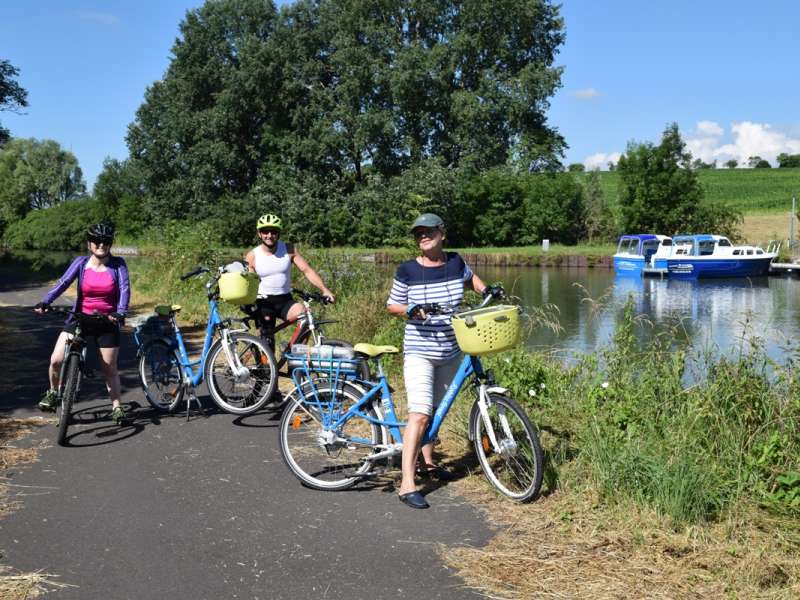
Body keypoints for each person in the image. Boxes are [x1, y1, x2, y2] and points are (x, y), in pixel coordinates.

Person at [387, 213, 492, 509]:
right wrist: (409, 309)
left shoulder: (456, 261)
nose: (422, 236)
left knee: (436, 410)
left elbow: (471, 279)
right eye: (418, 233)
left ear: (442, 233)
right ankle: (407, 483)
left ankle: (428, 463)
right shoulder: (407, 270)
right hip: (420, 351)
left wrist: (486, 290)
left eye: (428, 231)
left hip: (451, 350)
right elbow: (392, 304)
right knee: (419, 414)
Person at [35, 223, 130, 424]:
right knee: (55, 360)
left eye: (106, 241)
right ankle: (53, 393)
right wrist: (46, 301)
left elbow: (124, 289)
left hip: (107, 321)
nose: (101, 244)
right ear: (89, 244)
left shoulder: (118, 264)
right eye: (97, 241)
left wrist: (120, 312)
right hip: (80, 319)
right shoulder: (80, 263)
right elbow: (63, 283)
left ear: (110, 244)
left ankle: (117, 408)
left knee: (109, 368)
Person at [244, 214, 335, 343]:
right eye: (265, 231)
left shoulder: (289, 249)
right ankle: (262, 359)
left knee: (305, 319)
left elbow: (307, 270)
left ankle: (295, 355)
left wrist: (325, 289)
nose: (269, 235)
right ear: (259, 234)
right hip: (263, 303)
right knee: (267, 344)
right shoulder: (252, 256)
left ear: (279, 233)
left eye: (273, 231)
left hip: (284, 300)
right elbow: (248, 283)